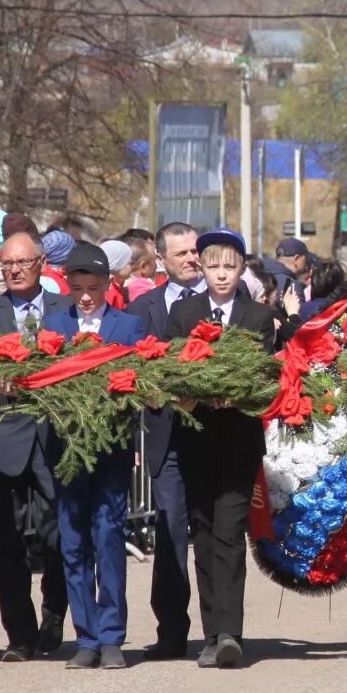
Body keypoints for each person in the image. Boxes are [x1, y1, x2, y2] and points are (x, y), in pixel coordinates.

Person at [168, 228, 278, 668]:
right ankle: (210, 631)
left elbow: (265, 375)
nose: (220, 274)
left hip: (237, 441)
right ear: (200, 266)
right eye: (212, 265)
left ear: (242, 268)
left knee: (230, 533)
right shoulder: (185, 312)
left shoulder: (256, 317)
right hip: (195, 439)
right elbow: (172, 366)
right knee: (204, 533)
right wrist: (186, 393)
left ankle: (231, 632)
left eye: (229, 266)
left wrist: (236, 395)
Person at [39, 243, 143, 669]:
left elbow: (139, 383)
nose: (85, 296)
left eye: (93, 288)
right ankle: (85, 636)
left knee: (108, 537)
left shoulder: (128, 326)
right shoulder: (53, 325)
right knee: (73, 540)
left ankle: (112, 634)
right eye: (77, 288)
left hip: (112, 449)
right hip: (66, 449)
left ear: (108, 285)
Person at [0, 231, 74, 659]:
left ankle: (53, 617)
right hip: (3, 437)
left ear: (41, 265)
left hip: (53, 437)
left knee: (58, 536)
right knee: (6, 541)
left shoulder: (64, 311)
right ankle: (19, 633)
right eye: (7, 264)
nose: (14, 271)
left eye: (23, 263)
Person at [131, 223, 207, 661]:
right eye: (181, 253)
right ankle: (172, 631)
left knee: (213, 534)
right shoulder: (144, 309)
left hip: (212, 436)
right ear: (161, 259)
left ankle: (220, 630)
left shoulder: (218, 303)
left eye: (195, 250)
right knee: (171, 531)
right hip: (166, 437)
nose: (191, 258)